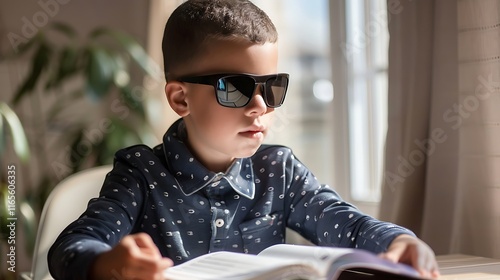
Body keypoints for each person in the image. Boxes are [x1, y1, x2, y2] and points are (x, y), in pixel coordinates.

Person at [48, 0, 440, 279]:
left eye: (271, 87)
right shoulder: (140, 173)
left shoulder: (279, 171)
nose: (259, 107)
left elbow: (349, 227)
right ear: (181, 98)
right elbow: (71, 247)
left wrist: (400, 239)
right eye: (234, 88)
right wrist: (108, 265)